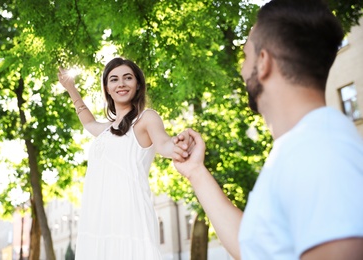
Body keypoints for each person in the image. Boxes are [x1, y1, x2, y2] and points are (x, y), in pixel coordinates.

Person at [173, 0, 363, 259]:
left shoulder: (319, 150)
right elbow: (255, 249)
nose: (241, 70)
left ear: (263, 62)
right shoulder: (304, 147)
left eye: (245, 56)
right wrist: (196, 172)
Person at [58, 57, 191, 260]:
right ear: (107, 88)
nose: (121, 83)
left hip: (130, 218)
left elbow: (164, 144)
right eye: (114, 79)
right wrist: (71, 89)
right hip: (98, 221)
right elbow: (88, 122)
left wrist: (178, 145)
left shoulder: (146, 119)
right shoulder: (105, 130)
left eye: (128, 78)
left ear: (137, 85)